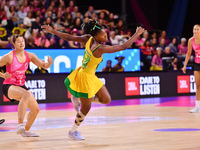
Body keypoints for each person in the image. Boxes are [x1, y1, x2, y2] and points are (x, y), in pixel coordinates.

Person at [41, 19, 145, 140]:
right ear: (95, 36)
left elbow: (69, 37)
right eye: (102, 34)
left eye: (105, 33)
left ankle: (78, 98)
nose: (105, 35)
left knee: (106, 100)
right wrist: (136, 34)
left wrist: (53, 31)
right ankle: (73, 132)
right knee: (86, 108)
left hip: (90, 75)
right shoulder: (100, 48)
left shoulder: (88, 39)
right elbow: (123, 46)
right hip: (84, 77)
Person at [0, 34, 53, 136]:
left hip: (21, 86)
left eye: (23, 41)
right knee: (26, 94)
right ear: (14, 44)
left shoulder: (30, 55)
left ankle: (26, 131)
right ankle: (20, 124)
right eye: (18, 41)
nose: (21, 43)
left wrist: (49, 64)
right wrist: (2, 75)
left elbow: (43, 65)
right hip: (9, 86)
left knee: (36, 110)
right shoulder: (9, 57)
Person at [182, 24, 200, 113]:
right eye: (195, 29)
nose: (196, 31)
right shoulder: (190, 40)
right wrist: (185, 65)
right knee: (197, 85)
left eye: (198, 29)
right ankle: (197, 107)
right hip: (197, 63)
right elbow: (188, 54)